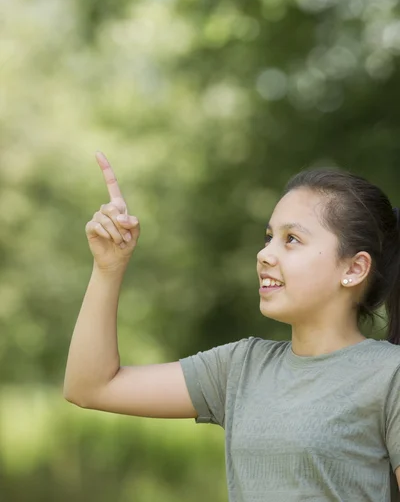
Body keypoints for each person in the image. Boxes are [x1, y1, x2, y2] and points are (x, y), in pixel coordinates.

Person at [64, 151, 400, 502]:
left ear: (354, 269)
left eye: (291, 240)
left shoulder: (390, 375)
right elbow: (90, 387)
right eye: (268, 237)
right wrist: (108, 267)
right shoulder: (241, 367)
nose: (265, 254)